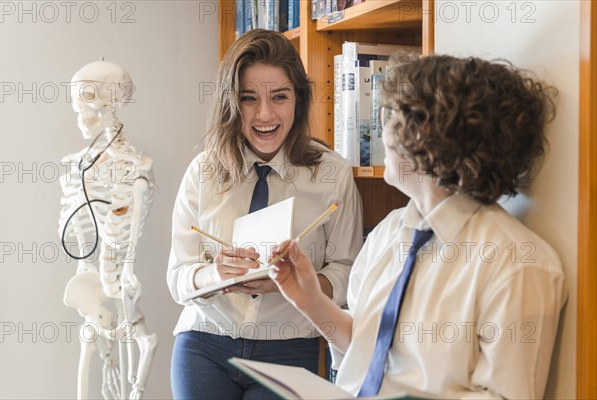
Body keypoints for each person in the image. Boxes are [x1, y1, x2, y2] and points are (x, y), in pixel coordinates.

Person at [268, 54, 567, 399]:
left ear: (432, 138)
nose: (383, 129)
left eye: (395, 116)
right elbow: (366, 353)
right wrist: (310, 300)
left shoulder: (518, 264)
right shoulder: (388, 232)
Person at [167, 29, 363, 399]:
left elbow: (347, 271)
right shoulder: (203, 171)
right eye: (248, 98)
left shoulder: (332, 174)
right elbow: (177, 277)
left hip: (289, 347)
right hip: (205, 342)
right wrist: (214, 274)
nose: (265, 114)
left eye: (280, 97)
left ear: (298, 100)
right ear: (230, 103)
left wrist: (295, 285)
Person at [59, 60, 157, 399]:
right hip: (89, 276)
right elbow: (78, 232)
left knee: (134, 342)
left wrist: (127, 267)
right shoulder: (77, 166)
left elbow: (135, 215)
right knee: (88, 344)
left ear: (113, 103)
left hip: (120, 277)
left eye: (89, 98)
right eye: (78, 101)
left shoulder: (137, 169)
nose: (81, 112)